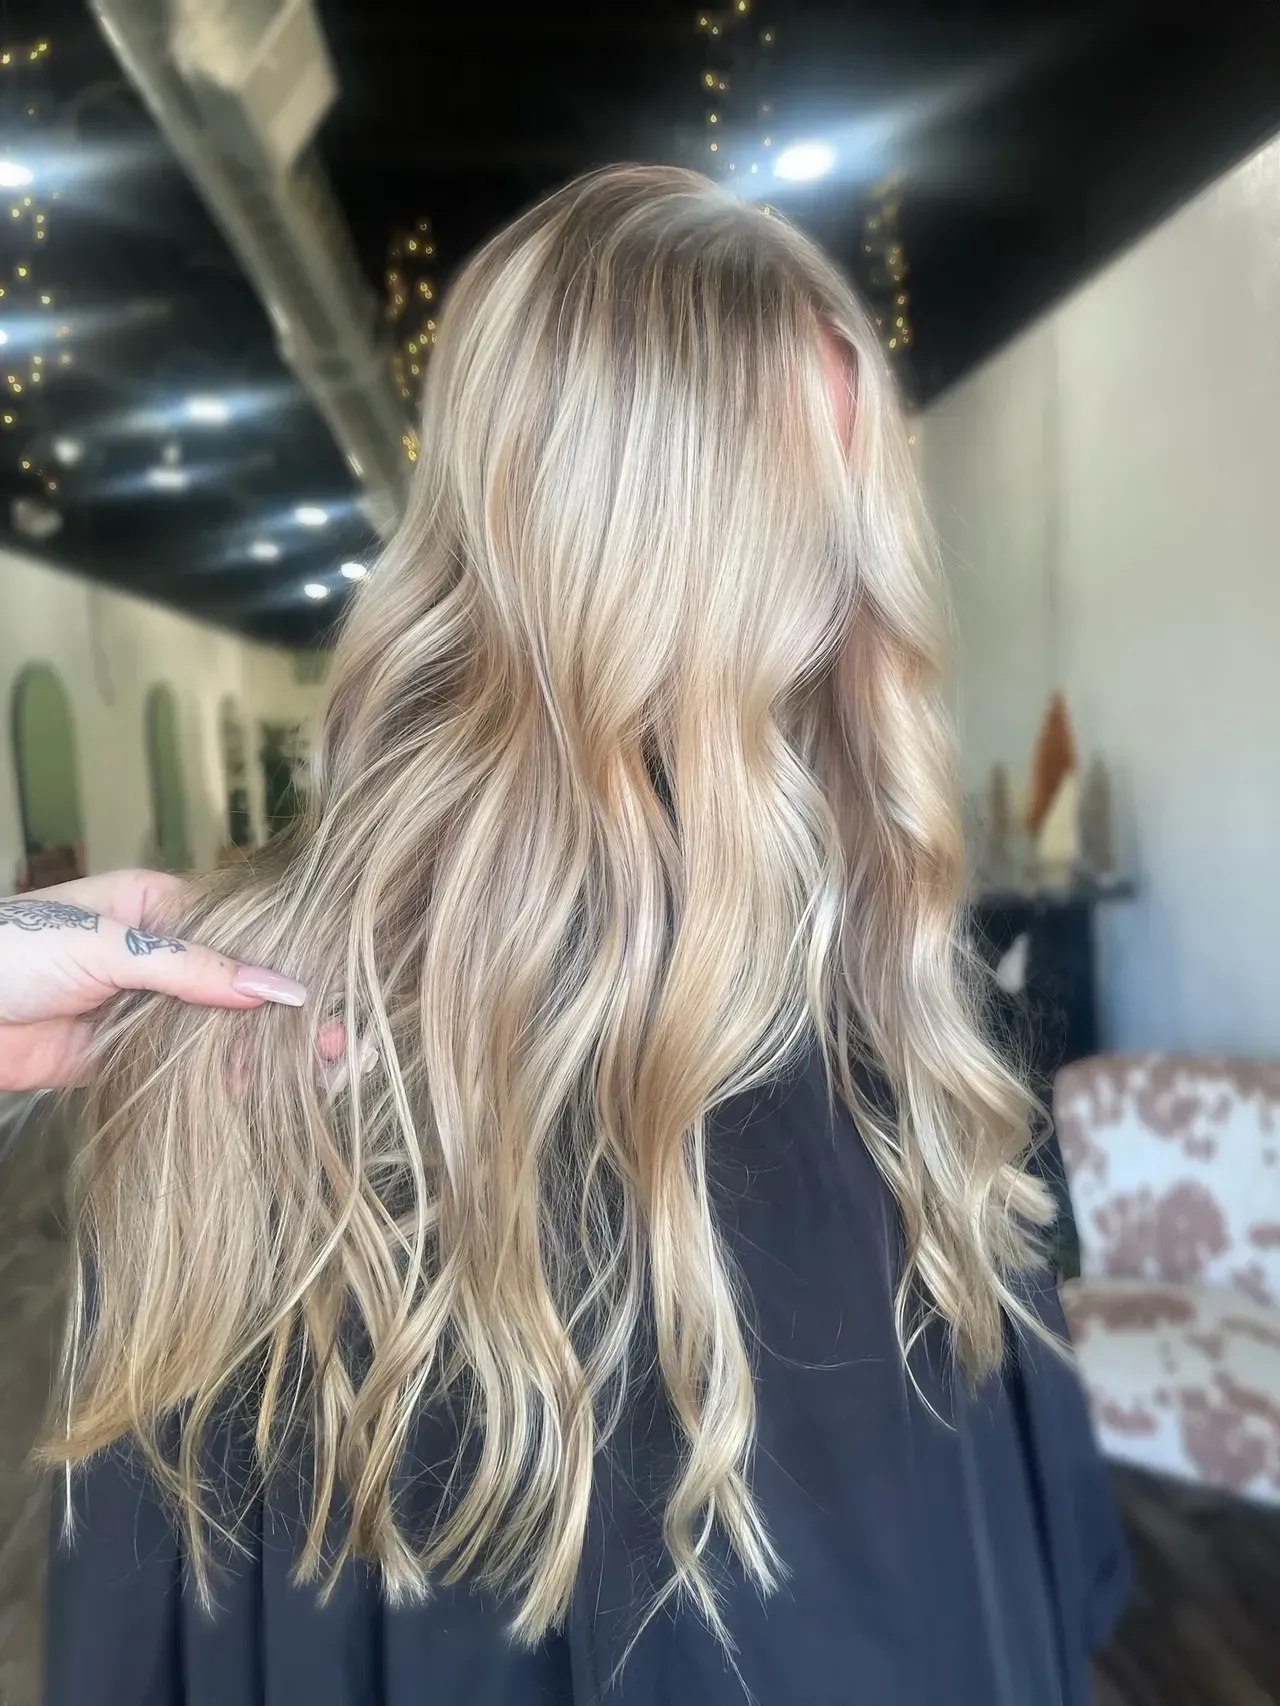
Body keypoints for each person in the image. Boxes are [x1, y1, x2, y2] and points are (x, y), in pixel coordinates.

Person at [28, 166, 1128, 1706]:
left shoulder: (886, 1030)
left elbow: (1016, 1577)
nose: (835, 607)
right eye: (784, 528)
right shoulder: (269, 1077)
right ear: (595, 537)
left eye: (848, 526)